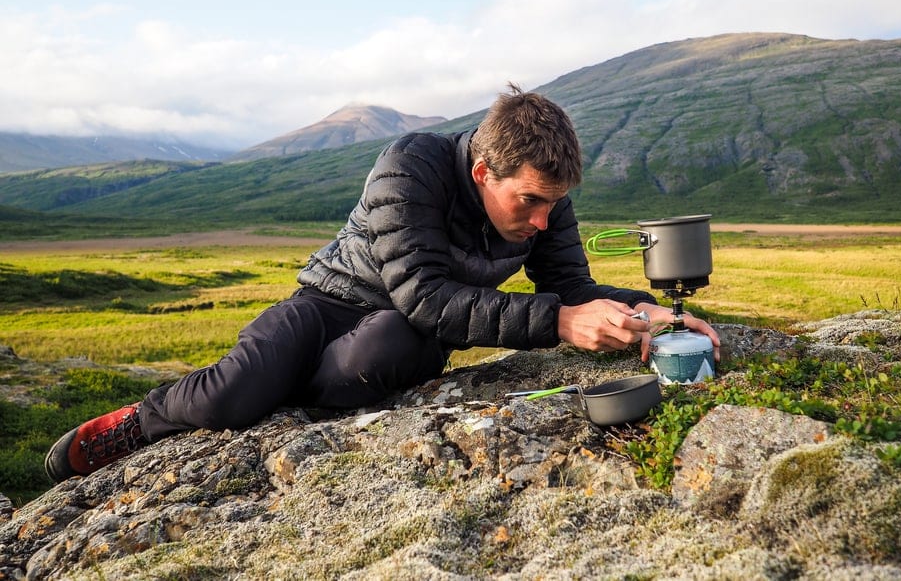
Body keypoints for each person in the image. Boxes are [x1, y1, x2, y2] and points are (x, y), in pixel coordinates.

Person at [45, 83, 720, 482]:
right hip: (325, 305)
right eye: (530, 203)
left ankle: (288, 386)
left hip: (405, 333)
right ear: (484, 173)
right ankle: (139, 420)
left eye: (553, 204)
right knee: (229, 395)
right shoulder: (411, 166)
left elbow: (572, 288)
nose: (543, 221)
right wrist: (559, 323)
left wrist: (657, 315)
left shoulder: (544, 194)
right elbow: (425, 291)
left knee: (377, 357)